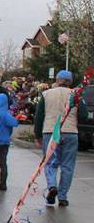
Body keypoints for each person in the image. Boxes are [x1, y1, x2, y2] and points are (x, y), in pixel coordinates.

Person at [35, 70, 90, 208]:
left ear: (57, 79)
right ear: (70, 82)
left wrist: (38, 134)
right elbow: (84, 115)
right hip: (70, 132)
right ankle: (63, 197)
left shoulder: (46, 94)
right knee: (67, 165)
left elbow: (39, 116)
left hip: (50, 131)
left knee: (50, 162)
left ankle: (52, 186)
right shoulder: (76, 95)